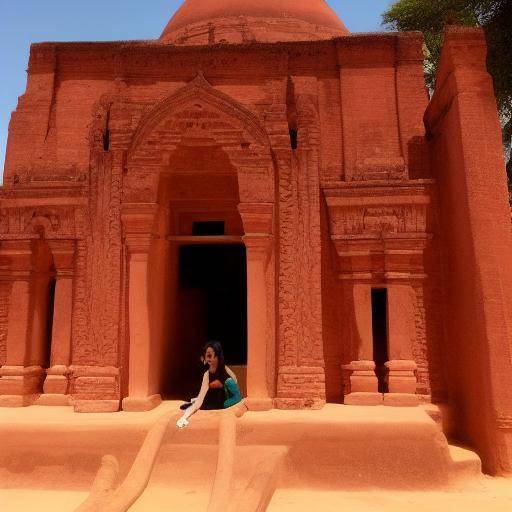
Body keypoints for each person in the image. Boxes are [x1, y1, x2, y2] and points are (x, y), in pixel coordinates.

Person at [176, 341, 242, 428]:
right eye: (207, 356)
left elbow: (235, 382)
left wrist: (225, 388)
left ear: (218, 355)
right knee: (199, 403)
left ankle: (193, 402)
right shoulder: (207, 374)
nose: (207, 359)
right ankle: (192, 403)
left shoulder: (225, 370)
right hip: (211, 402)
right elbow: (201, 397)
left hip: (223, 402)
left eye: (210, 355)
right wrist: (184, 417)